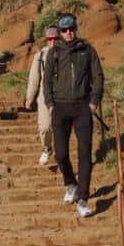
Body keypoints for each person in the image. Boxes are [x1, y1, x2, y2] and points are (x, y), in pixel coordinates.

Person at [43, 14, 104, 218]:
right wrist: (50, 103)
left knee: (85, 154)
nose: (68, 33)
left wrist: (94, 101)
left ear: (76, 28)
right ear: (59, 33)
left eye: (71, 29)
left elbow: (98, 76)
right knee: (60, 154)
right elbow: (47, 80)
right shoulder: (54, 53)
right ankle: (70, 183)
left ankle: (83, 199)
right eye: (64, 30)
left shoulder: (87, 50)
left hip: (82, 108)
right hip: (60, 108)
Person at [25, 26, 59, 165]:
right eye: (50, 39)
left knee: (60, 127)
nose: (53, 42)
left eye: (56, 38)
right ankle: (47, 148)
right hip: (45, 96)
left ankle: (61, 154)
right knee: (45, 127)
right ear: (47, 40)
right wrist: (30, 97)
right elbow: (34, 77)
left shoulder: (67, 54)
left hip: (63, 96)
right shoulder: (40, 56)